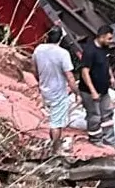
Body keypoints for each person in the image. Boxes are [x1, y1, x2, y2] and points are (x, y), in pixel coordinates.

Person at [33, 27, 78, 155]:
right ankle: (55, 150)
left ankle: (53, 143)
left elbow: (35, 70)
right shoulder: (63, 53)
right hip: (58, 92)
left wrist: (40, 82)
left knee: (53, 118)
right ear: (60, 39)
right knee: (56, 123)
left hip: (44, 90)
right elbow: (69, 76)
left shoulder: (38, 49)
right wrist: (76, 92)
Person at [79, 24, 115, 146]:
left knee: (107, 114)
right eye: (109, 38)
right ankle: (95, 140)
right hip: (90, 91)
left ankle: (109, 140)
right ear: (101, 37)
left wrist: (111, 77)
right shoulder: (90, 51)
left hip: (104, 89)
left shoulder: (104, 49)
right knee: (94, 116)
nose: (111, 41)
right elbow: (85, 72)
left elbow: (106, 63)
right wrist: (93, 91)